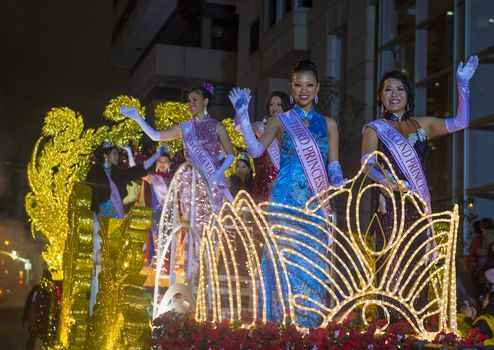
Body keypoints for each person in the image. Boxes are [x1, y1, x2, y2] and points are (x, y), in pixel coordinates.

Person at [360, 56, 479, 320]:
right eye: (388, 89)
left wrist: (463, 85)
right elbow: (367, 164)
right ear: (380, 96)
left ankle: (415, 326)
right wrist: (388, 183)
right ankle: (390, 329)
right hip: (389, 207)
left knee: (418, 268)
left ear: (408, 95)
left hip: (418, 206)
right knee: (391, 266)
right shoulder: (375, 128)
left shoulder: (422, 125)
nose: (394, 94)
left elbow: (461, 122)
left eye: (399, 89)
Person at [230, 60, 345, 328]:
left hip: (315, 201)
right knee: (281, 259)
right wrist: (244, 117)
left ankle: (308, 325)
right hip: (283, 199)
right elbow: (257, 151)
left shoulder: (329, 124)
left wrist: (337, 179)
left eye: (309, 85)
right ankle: (278, 327)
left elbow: (334, 163)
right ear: (290, 88)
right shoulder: (280, 121)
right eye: (297, 85)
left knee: (310, 260)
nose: (303, 90)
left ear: (317, 88)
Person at [120, 82, 236, 209]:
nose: (190, 104)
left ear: (206, 101)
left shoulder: (217, 126)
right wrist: (137, 118)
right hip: (190, 181)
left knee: (211, 222)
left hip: (212, 180)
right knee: (189, 222)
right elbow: (155, 136)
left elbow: (231, 155)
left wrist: (218, 174)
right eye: (189, 100)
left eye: (194, 100)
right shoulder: (185, 127)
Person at [85, 142, 165, 314]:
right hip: (101, 220)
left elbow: (137, 170)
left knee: (116, 257)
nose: (117, 157)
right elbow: (91, 196)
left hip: (116, 220)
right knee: (100, 256)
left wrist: (156, 156)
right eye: (114, 154)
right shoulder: (95, 173)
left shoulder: (116, 173)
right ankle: (95, 303)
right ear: (106, 155)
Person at [251, 91, 290, 202]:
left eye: (279, 104)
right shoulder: (261, 127)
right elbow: (239, 129)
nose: (274, 108)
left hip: (283, 178)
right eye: (271, 105)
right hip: (262, 177)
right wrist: (241, 113)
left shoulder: (292, 129)